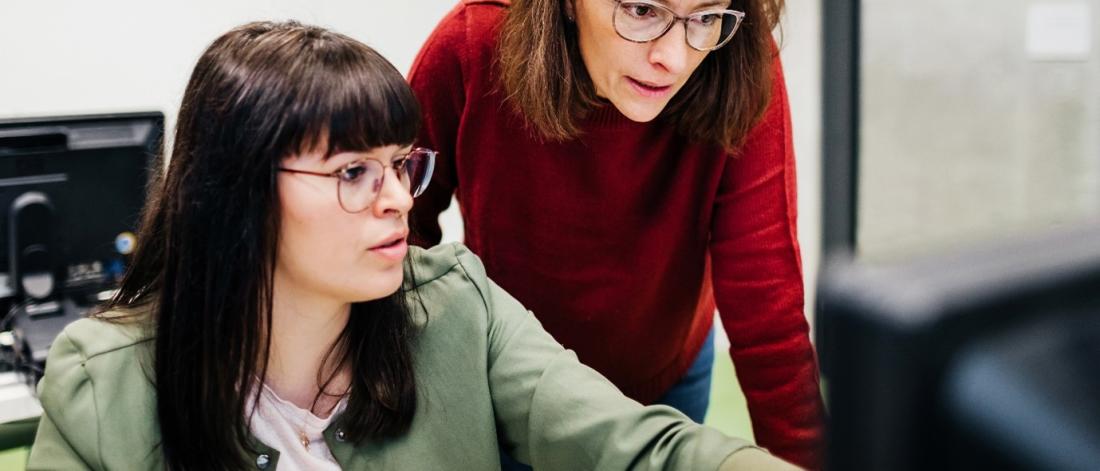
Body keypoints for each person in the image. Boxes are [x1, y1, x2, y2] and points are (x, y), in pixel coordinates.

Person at [25, 21, 800, 471]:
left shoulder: (456, 309)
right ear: (239, 189)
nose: (399, 196)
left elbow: (643, 449)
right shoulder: (102, 389)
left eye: (401, 163)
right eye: (354, 170)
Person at [407, 0, 824, 468]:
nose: (675, 58)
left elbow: (769, 314)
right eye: (643, 10)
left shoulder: (740, 56)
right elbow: (401, 230)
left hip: (665, 378)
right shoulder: (471, 43)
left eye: (706, 17)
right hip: (510, 389)